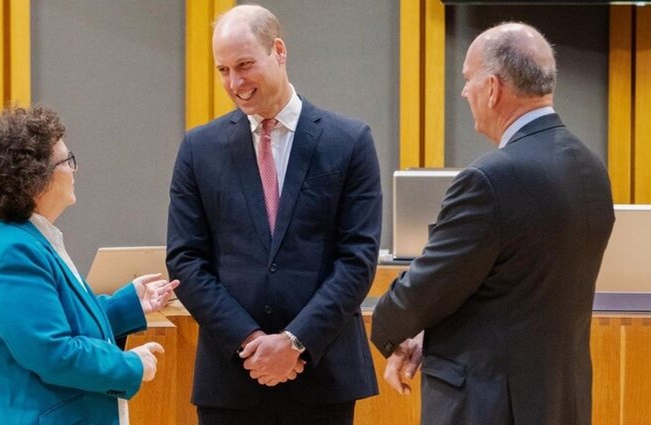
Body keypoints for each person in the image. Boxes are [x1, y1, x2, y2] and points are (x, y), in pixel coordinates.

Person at [371, 22, 615, 425]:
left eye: (468, 80)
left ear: (493, 88)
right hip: (560, 400)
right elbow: (512, 292)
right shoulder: (591, 168)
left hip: (490, 404)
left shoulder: (490, 179)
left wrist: (389, 326)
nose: (464, 91)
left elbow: (431, 284)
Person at [166, 5, 382, 425]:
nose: (235, 83)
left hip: (322, 376)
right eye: (223, 70)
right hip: (232, 377)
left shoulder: (349, 141)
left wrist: (294, 342)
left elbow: (357, 259)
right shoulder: (199, 149)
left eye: (244, 65)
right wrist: (249, 341)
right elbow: (186, 260)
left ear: (278, 51)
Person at [0, 105, 179, 425]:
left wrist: (127, 306)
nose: (74, 169)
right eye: (67, 161)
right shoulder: (13, 253)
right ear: (36, 177)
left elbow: (49, 321)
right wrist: (131, 366)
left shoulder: (19, 238)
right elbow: (52, 353)